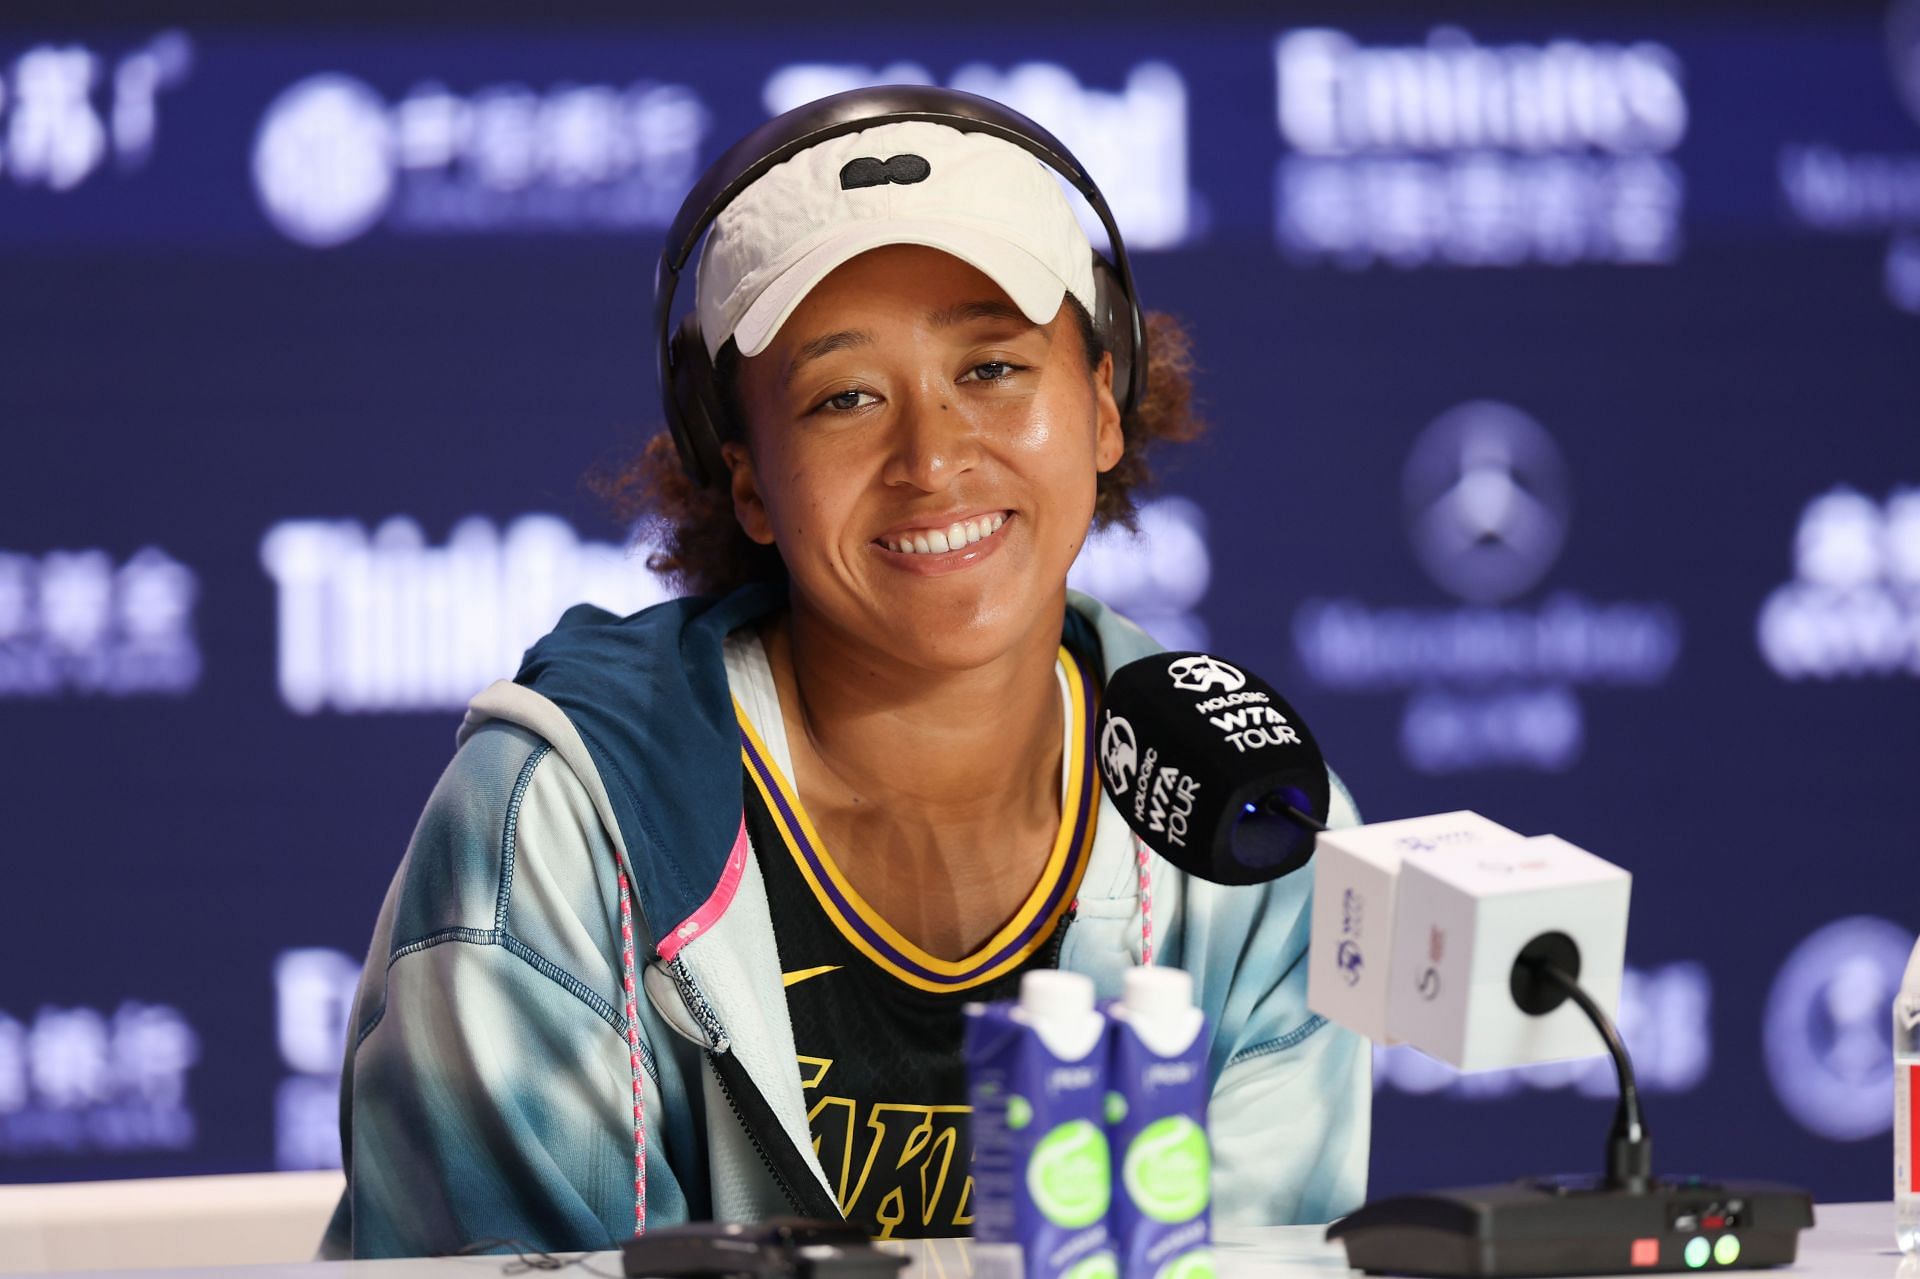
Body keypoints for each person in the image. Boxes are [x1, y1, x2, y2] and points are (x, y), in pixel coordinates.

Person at [320, 88, 1369, 1260]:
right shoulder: (564, 824)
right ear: (752, 484)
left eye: (992, 368)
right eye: (845, 398)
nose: (932, 458)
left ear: (1103, 406)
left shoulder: (1243, 815)